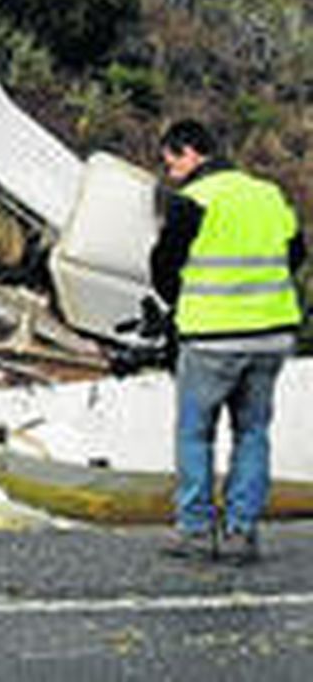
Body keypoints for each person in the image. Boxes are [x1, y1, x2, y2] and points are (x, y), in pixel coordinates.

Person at [150, 118, 305, 564]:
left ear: (190, 152)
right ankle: (241, 532)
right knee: (252, 432)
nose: (171, 174)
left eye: (171, 163)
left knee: (195, 433)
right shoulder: (269, 194)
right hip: (272, 335)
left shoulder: (194, 200)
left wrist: (183, 302)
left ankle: (196, 531)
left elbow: (164, 264)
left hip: (211, 338)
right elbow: (296, 254)